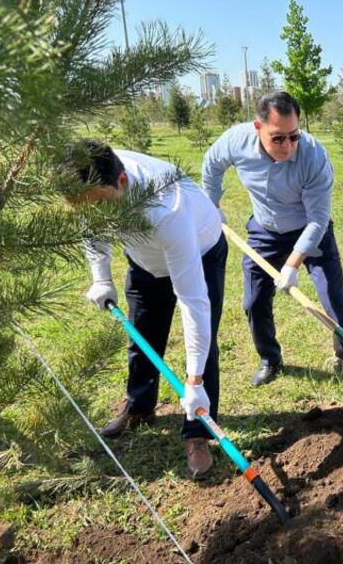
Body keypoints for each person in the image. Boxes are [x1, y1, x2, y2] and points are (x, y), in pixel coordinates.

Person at [201, 91, 343, 405]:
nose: (288, 146)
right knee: (254, 301)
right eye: (278, 138)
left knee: (333, 297)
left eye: (294, 136)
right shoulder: (236, 141)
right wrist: (212, 205)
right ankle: (270, 359)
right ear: (258, 127)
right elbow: (212, 165)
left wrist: (293, 264)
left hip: (310, 230)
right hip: (265, 231)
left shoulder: (313, 156)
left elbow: (318, 220)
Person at [67, 140, 227, 479]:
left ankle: (198, 430)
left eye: (100, 204)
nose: (95, 214)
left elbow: (193, 302)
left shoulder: (168, 208)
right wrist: (101, 278)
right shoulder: (95, 185)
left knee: (203, 343)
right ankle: (139, 406)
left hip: (200, 249)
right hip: (144, 259)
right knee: (142, 332)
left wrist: (194, 381)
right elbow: (90, 225)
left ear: (123, 183)